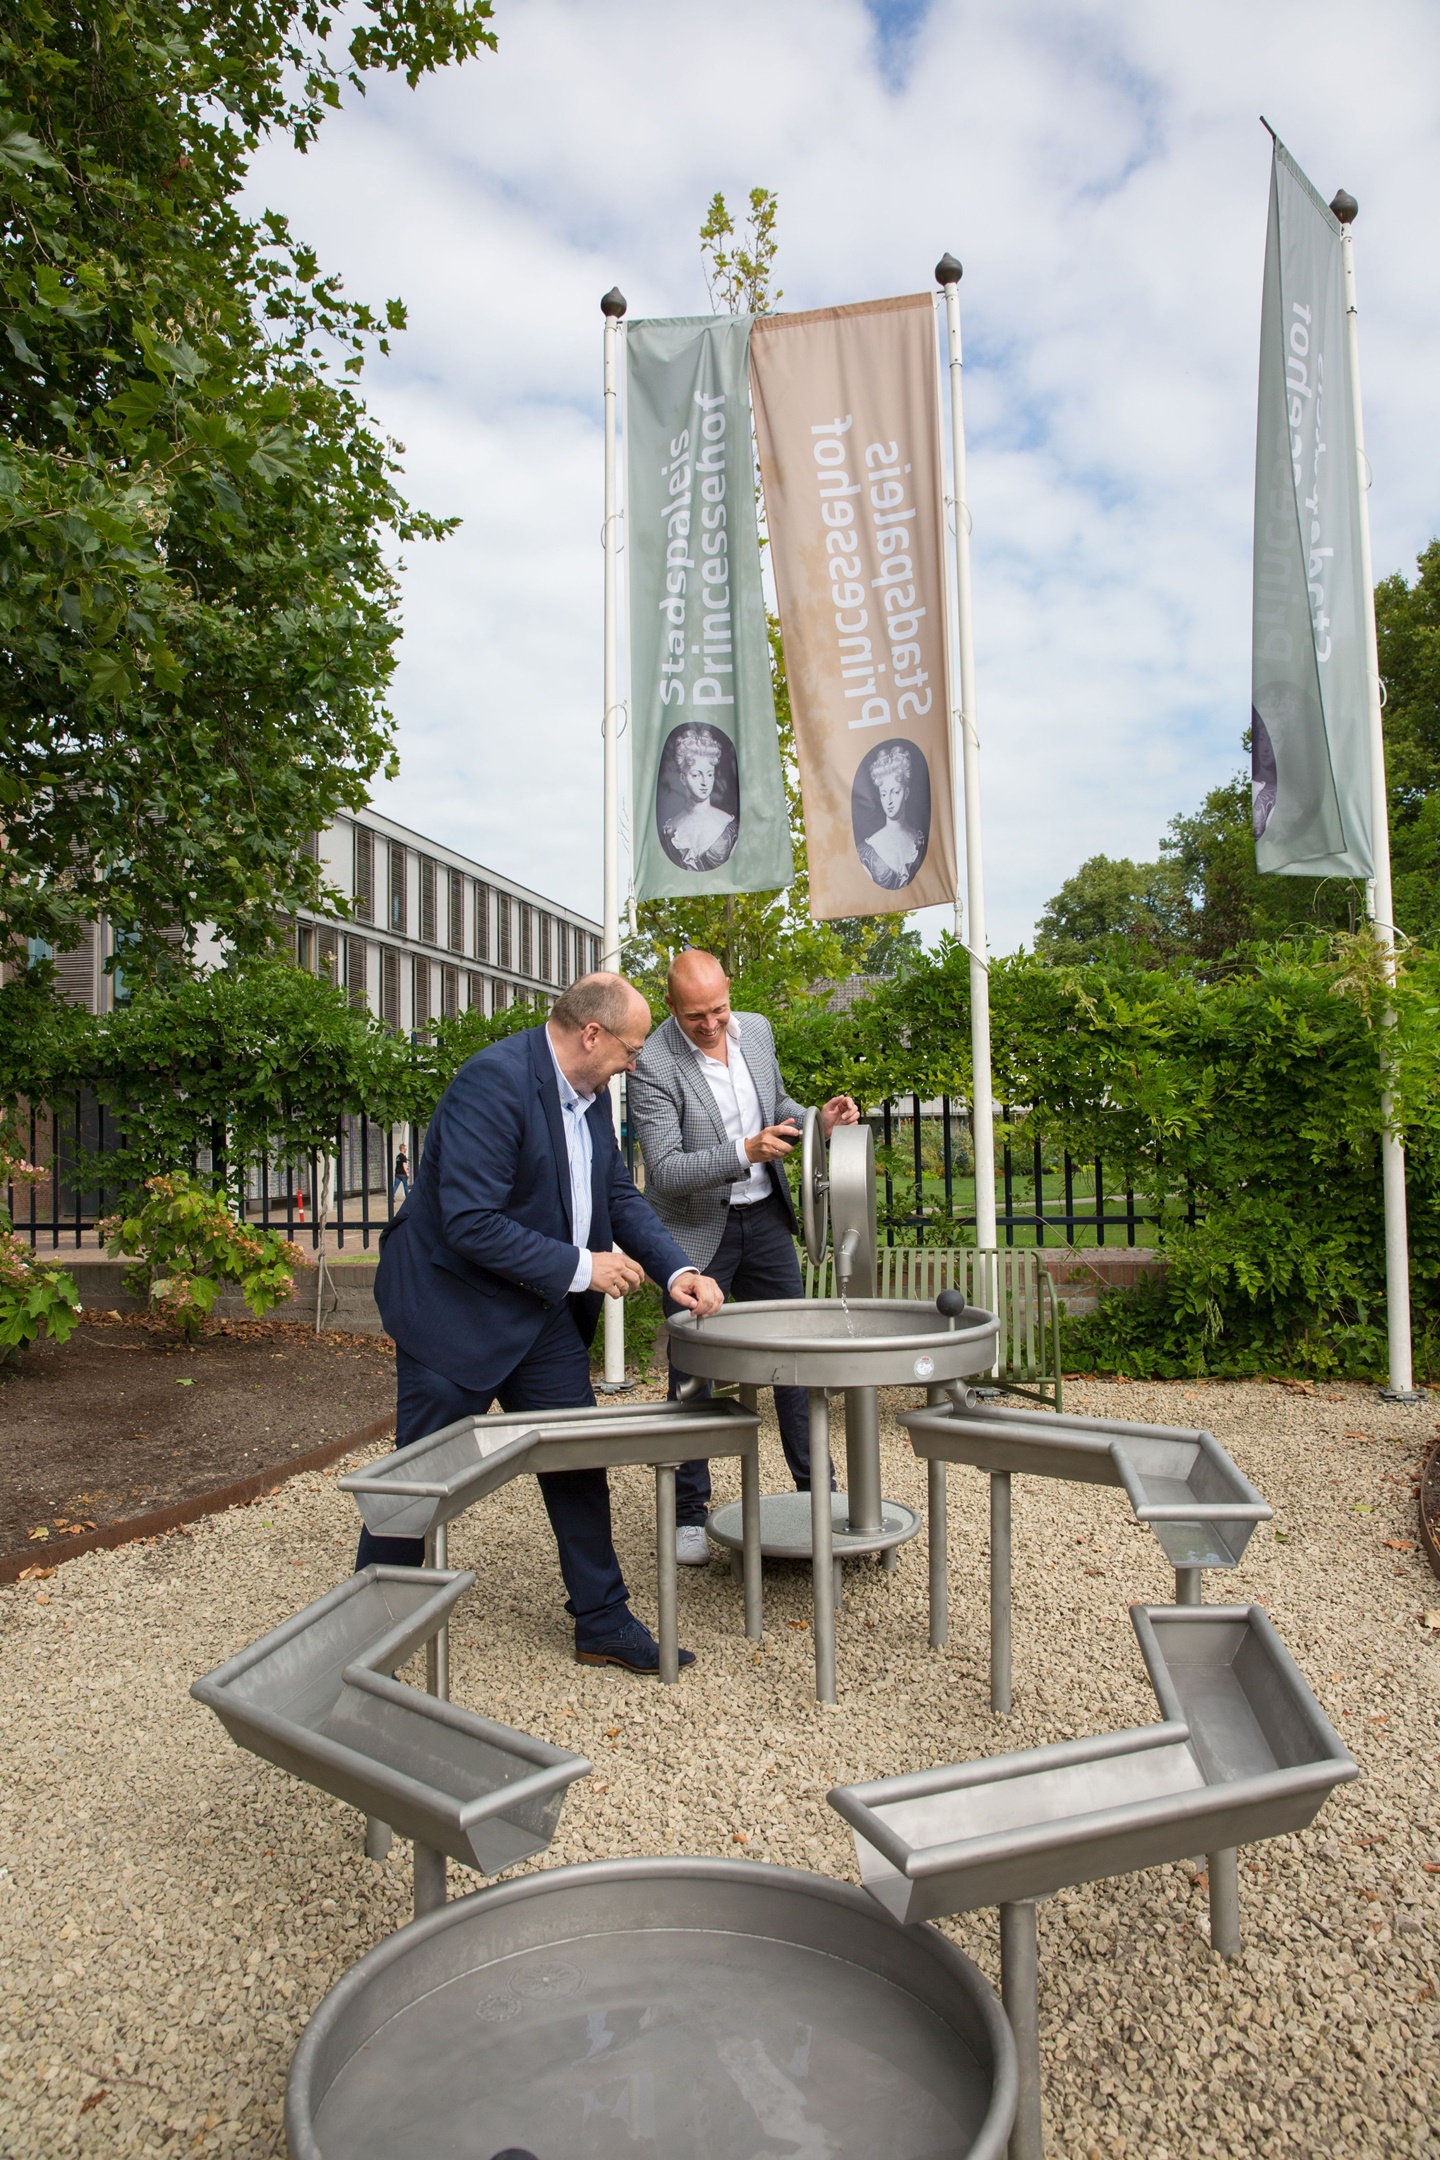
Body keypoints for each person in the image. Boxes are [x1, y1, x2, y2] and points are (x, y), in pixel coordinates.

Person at [366, 972, 724, 1673]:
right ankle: (370, 1627)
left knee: (575, 1457)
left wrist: (676, 1271)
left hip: (538, 1312)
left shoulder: (590, 1094)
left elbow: (617, 1195)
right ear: (591, 1033)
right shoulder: (491, 1083)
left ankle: (602, 1620)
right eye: (629, 1049)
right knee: (416, 1482)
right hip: (452, 1310)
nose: (635, 1063)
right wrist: (583, 1267)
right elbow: (469, 1221)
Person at [627, 948, 859, 1564]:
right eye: (696, 1015)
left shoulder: (755, 1029)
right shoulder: (650, 1062)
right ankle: (688, 1514)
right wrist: (745, 1151)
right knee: (694, 1371)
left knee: (796, 1356)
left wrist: (817, 1121)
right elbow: (668, 1170)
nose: (711, 1024)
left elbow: (776, 1103)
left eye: (719, 1009)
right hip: (698, 1234)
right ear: (672, 1004)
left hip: (766, 1222)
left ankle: (822, 1498)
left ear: (731, 992)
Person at [660, 725, 739, 872]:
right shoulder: (670, 830)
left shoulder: (729, 826)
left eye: (710, 774)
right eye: (696, 775)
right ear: (683, 778)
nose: (705, 782)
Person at [857, 741, 927, 890]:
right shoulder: (868, 850)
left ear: (906, 793)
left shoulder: (919, 841)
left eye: (895, 792)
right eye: (883, 794)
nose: (888, 801)